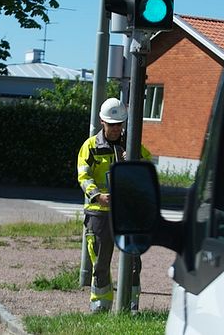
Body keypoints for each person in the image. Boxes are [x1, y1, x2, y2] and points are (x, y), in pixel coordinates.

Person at [76, 97, 151, 313]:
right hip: (99, 212)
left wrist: (134, 160)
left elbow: (148, 167)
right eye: (112, 125)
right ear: (102, 122)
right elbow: (83, 175)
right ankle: (100, 306)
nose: (117, 129)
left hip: (127, 212)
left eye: (120, 125)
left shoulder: (131, 144)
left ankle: (130, 306)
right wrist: (97, 195)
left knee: (133, 262)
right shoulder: (90, 146)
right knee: (99, 262)